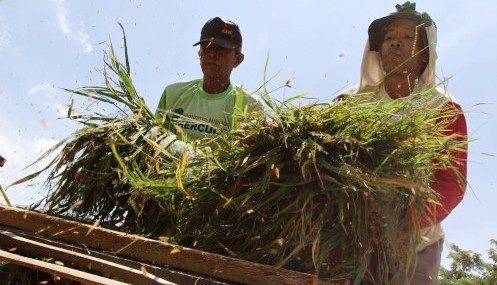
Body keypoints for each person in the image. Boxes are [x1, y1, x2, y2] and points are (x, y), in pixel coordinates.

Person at [345, 2, 468, 284]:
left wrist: (401, 222)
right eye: (389, 38)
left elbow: (451, 183)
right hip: (352, 241)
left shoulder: (442, 108)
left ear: (424, 54)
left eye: (407, 37)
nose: (395, 43)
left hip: (417, 246)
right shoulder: (350, 103)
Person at [156, 17, 262, 142]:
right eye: (206, 47)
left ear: (238, 59)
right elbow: (154, 142)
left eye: (221, 49)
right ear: (199, 54)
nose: (212, 54)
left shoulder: (250, 105)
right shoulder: (173, 93)